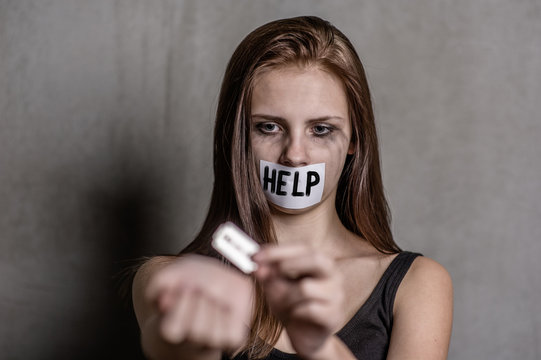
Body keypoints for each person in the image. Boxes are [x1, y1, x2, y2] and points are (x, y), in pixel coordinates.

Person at [132, 16, 453, 360]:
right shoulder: (173, 280)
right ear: (238, 138)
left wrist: (320, 347)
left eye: (320, 129)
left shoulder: (417, 285)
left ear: (354, 139)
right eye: (269, 127)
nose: (294, 156)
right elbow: (172, 344)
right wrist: (187, 341)